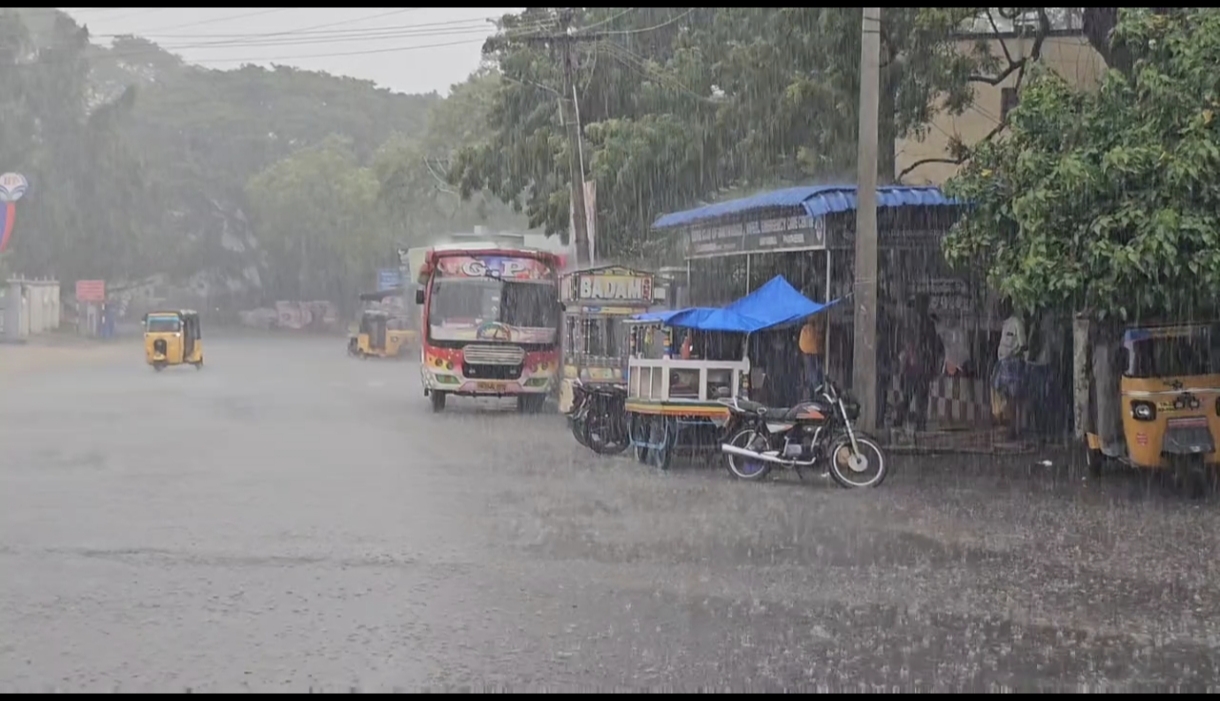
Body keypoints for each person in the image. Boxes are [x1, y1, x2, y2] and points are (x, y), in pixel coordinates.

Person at [894, 295, 943, 432]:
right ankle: (913, 423)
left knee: (913, 397)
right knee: (915, 397)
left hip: (917, 367)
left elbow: (933, 346)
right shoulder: (921, 323)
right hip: (918, 367)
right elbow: (934, 346)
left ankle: (906, 421)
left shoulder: (917, 323)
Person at [992, 300, 1028, 440]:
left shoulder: (1016, 323)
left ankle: (1016, 429)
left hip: (1013, 365)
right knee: (1005, 396)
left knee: (1015, 399)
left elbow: (1023, 345)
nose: (1000, 311)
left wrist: (1013, 354)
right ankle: (1011, 427)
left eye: (1002, 307)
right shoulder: (1005, 324)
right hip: (1003, 364)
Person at [798, 313, 825, 399]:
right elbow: (818, 340)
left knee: (813, 369)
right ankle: (818, 385)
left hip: (808, 351)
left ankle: (817, 385)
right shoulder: (809, 330)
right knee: (814, 368)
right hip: (811, 351)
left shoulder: (806, 329)